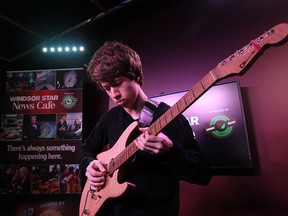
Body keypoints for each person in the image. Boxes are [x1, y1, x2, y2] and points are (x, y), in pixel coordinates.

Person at [80, 41, 212, 216]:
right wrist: (90, 164)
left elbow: (203, 174)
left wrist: (169, 152)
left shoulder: (171, 118)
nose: (114, 94)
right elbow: (85, 150)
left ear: (134, 75)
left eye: (117, 84)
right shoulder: (111, 117)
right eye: (107, 88)